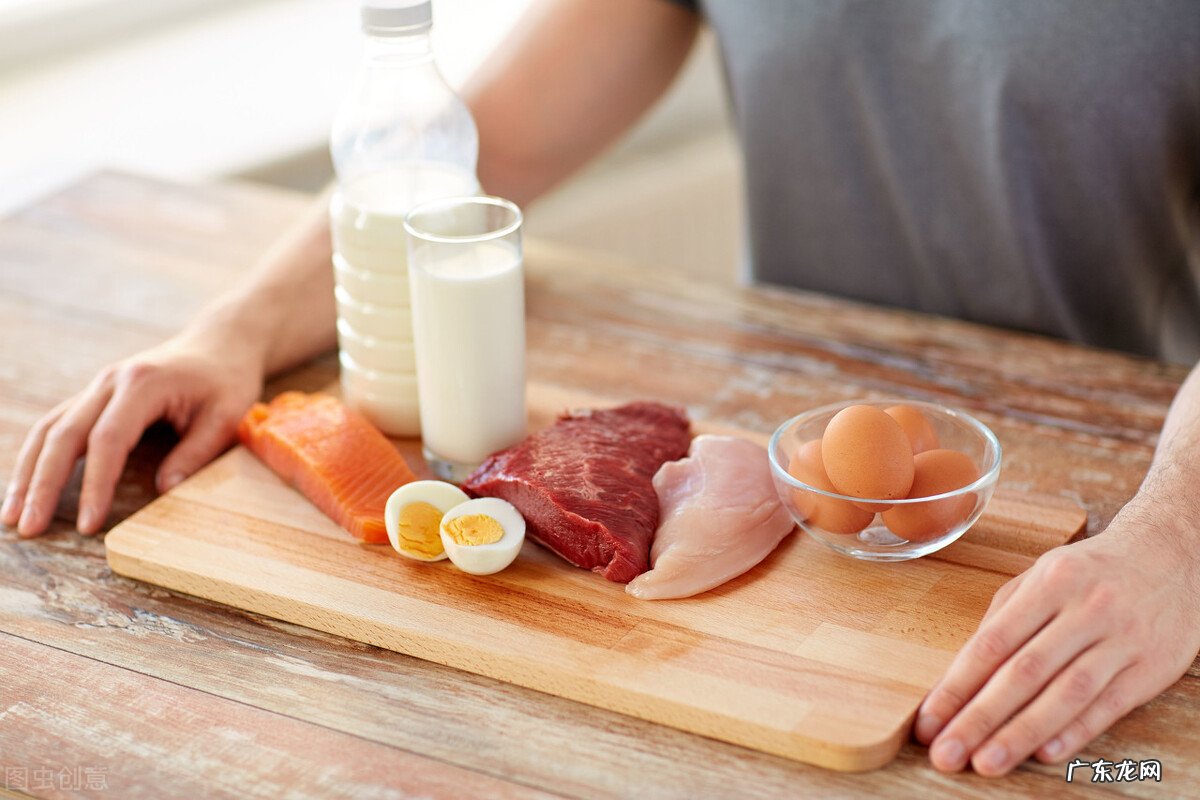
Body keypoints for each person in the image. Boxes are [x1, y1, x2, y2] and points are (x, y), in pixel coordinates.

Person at [4, 0, 1199, 778]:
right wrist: (234, 327)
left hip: (1126, 472)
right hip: (791, 461)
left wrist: (1179, 539)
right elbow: (481, 147)